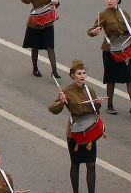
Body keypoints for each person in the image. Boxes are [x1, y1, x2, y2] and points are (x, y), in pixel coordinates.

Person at [87, 0, 131, 118]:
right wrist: (93, 32)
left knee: (130, 79)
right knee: (111, 79)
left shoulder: (125, 14)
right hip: (110, 51)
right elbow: (92, 30)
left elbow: (130, 31)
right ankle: (110, 105)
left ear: (118, 0)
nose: (109, 1)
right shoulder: (103, 14)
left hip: (124, 51)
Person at [49, 59, 102, 193]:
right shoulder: (66, 91)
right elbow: (53, 109)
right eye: (79, 73)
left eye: (84, 73)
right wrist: (61, 102)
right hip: (75, 133)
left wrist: (98, 103)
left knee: (91, 164)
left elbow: (95, 112)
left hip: (89, 132)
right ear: (73, 75)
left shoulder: (90, 90)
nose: (82, 76)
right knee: (75, 164)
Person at [22, 0, 61, 79]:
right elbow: (25, 0)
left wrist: (56, 2)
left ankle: (54, 71)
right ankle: (35, 68)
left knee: (50, 46)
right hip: (36, 22)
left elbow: (55, 2)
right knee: (35, 46)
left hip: (48, 20)